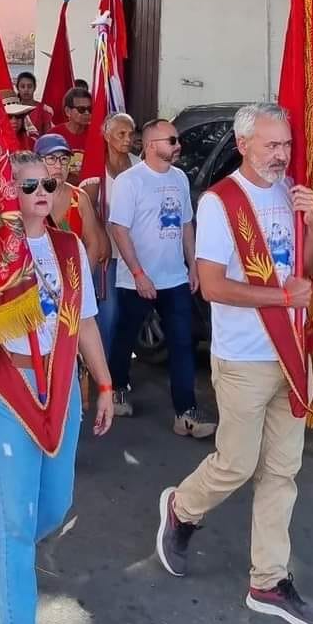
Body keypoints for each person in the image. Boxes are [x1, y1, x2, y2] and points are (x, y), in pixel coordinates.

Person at [156, 103, 313, 624]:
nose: (282, 155)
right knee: (235, 463)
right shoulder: (219, 203)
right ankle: (182, 508)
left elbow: (305, 263)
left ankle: (268, 580)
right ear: (244, 144)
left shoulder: (290, 192)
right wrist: (279, 299)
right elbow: (211, 285)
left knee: (283, 470)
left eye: (286, 145)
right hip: (243, 357)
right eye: (272, 145)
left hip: (289, 354)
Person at [0, 151, 114, 624]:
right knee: (14, 525)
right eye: (28, 184)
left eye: (49, 184)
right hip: (4, 389)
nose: (41, 193)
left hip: (61, 387)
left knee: (53, 506)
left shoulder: (69, 247)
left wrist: (103, 384)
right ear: (9, 189)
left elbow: (89, 322)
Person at [107, 119, 215, 437]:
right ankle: (116, 387)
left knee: (182, 343)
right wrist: (138, 273)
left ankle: (185, 412)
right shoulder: (131, 182)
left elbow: (185, 225)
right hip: (137, 280)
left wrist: (193, 264)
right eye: (171, 140)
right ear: (152, 145)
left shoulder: (180, 178)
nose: (177, 144)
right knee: (126, 336)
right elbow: (119, 229)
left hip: (175, 279)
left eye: (177, 139)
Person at [81, 113, 140, 412]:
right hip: (108, 257)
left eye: (130, 134)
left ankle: (117, 375)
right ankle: (99, 376)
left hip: (136, 256)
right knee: (107, 315)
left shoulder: (139, 166)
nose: (127, 140)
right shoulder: (95, 169)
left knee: (127, 318)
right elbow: (86, 207)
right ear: (105, 135)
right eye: (121, 134)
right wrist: (100, 237)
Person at [34, 134, 108, 268]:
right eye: (51, 158)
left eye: (64, 159)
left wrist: (83, 283)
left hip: (72, 280)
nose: (59, 166)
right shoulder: (26, 198)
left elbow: (93, 244)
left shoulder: (80, 198)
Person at [48, 87, 92, 181]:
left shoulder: (96, 135)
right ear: (68, 111)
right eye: (81, 109)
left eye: (90, 109)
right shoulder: (53, 136)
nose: (87, 113)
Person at [15, 71, 53, 135]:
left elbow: (47, 136)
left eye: (29, 86)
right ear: (17, 88)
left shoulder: (43, 109)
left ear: (34, 88)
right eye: (22, 86)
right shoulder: (13, 109)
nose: (26, 89)